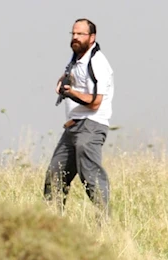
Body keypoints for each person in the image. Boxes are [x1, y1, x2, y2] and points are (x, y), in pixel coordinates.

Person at [43, 18, 114, 217]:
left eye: (80, 34)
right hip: (73, 127)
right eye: (73, 33)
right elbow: (74, 80)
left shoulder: (98, 63)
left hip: (91, 126)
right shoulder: (76, 58)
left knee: (91, 176)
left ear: (92, 38)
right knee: (55, 176)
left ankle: (105, 227)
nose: (75, 37)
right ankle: (49, 227)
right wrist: (63, 82)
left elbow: (95, 102)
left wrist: (71, 93)